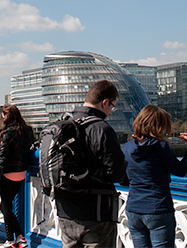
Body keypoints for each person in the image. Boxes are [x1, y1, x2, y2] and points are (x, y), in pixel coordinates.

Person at [54, 79, 127, 248]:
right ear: (105, 102)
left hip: (65, 209)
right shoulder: (102, 129)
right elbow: (116, 173)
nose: (111, 112)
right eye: (112, 106)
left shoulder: (64, 125)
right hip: (95, 212)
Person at [121, 106, 187, 248]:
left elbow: (123, 178)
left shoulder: (125, 148)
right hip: (157, 207)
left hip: (133, 209)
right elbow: (180, 170)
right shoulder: (160, 147)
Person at [0, 105, 35, 248]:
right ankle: (20, 238)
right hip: (21, 174)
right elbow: (34, 146)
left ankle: (10, 240)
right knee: (6, 207)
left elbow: (1, 159)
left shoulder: (6, 134)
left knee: (6, 207)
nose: (3, 118)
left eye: (4, 115)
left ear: (8, 117)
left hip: (7, 175)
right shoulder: (27, 131)